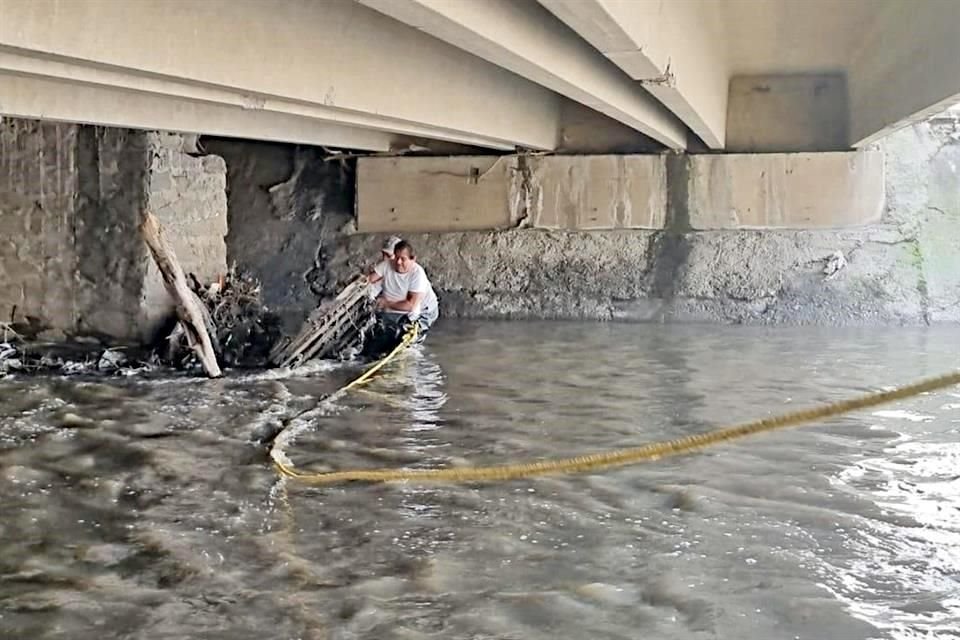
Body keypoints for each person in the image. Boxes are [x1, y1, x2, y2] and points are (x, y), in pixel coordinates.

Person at [365, 239, 438, 351]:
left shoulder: (417, 275)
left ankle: (413, 342)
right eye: (396, 257)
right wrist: (360, 281)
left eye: (403, 259)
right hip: (397, 309)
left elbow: (411, 305)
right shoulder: (387, 265)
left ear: (413, 259)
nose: (398, 262)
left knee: (406, 340)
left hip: (423, 310)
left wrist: (386, 304)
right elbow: (369, 280)